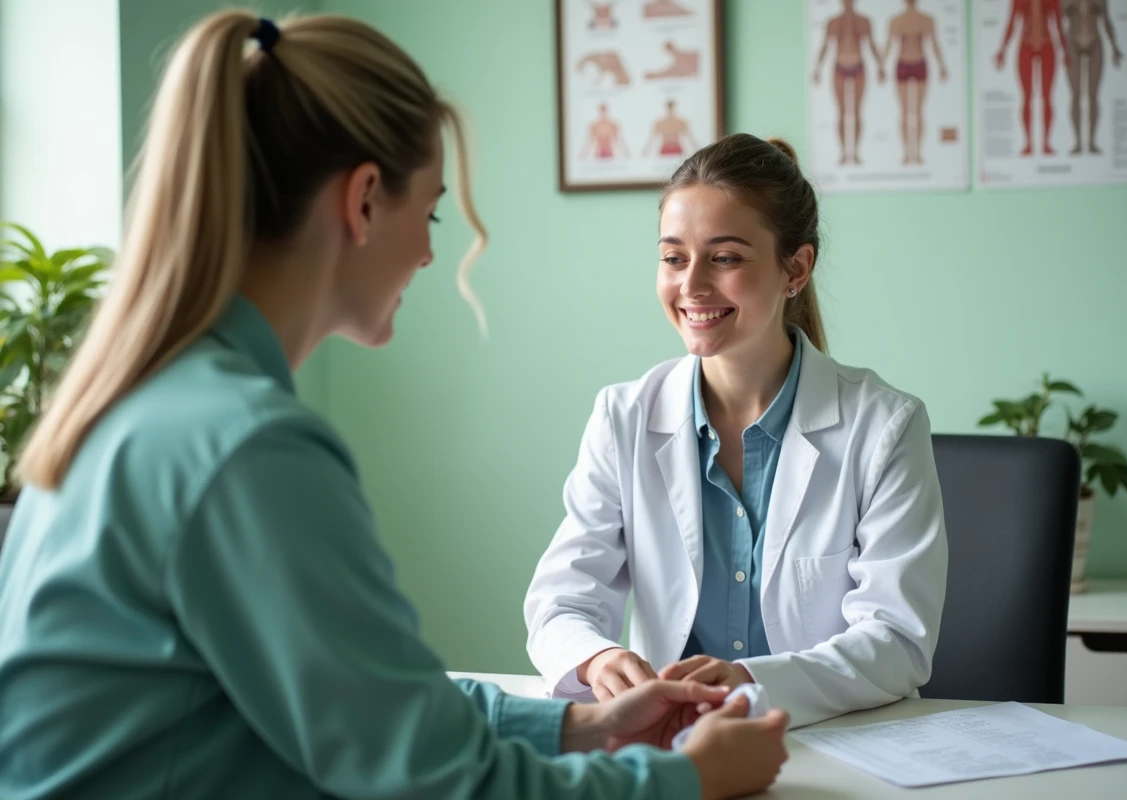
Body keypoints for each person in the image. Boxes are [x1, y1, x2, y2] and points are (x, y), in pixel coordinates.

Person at [0, 11, 790, 799]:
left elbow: (374, 700)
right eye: (434, 211)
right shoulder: (247, 448)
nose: (428, 252)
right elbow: (439, 782)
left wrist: (582, 726)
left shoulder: (160, 404)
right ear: (366, 199)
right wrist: (684, 780)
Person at [525, 133, 949, 729]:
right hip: (672, 750)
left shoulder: (883, 426)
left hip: (831, 746)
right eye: (674, 257)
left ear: (795, 268)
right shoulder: (623, 418)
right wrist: (598, 657)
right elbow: (561, 600)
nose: (691, 285)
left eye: (724, 258)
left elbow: (898, 639)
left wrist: (753, 684)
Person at [812, 0, 887, 165]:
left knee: (857, 111)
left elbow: (872, 45)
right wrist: (817, 68)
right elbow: (825, 46)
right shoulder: (833, 22)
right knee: (842, 112)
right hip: (839, 67)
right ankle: (844, 153)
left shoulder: (864, 21)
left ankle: (856, 152)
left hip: (859, 66)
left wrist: (880, 66)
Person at [995, 0, 1068, 156]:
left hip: (1047, 44)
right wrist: (1002, 50)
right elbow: (1012, 23)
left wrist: (1065, 51)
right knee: (1027, 97)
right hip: (1026, 45)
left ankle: (1046, 143)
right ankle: (1028, 143)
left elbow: (1059, 24)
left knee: (1047, 97)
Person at [883, 0, 949, 165]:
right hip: (903, 65)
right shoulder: (897, 20)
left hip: (919, 64)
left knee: (917, 112)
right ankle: (907, 153)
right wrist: (880, 65)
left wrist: (942, 66)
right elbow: (888, 45)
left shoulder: (926, 19)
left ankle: (917, 153)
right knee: (906, 112)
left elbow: (934, 44)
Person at [1062, 0, 1123, 155]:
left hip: (1095, 41)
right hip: (1072, 41)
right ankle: (1077, 143)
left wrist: (1115, 47)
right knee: (1075, 95)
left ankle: (1091, 143)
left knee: (1093, 95)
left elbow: (1106, 21)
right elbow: (1058, 17)